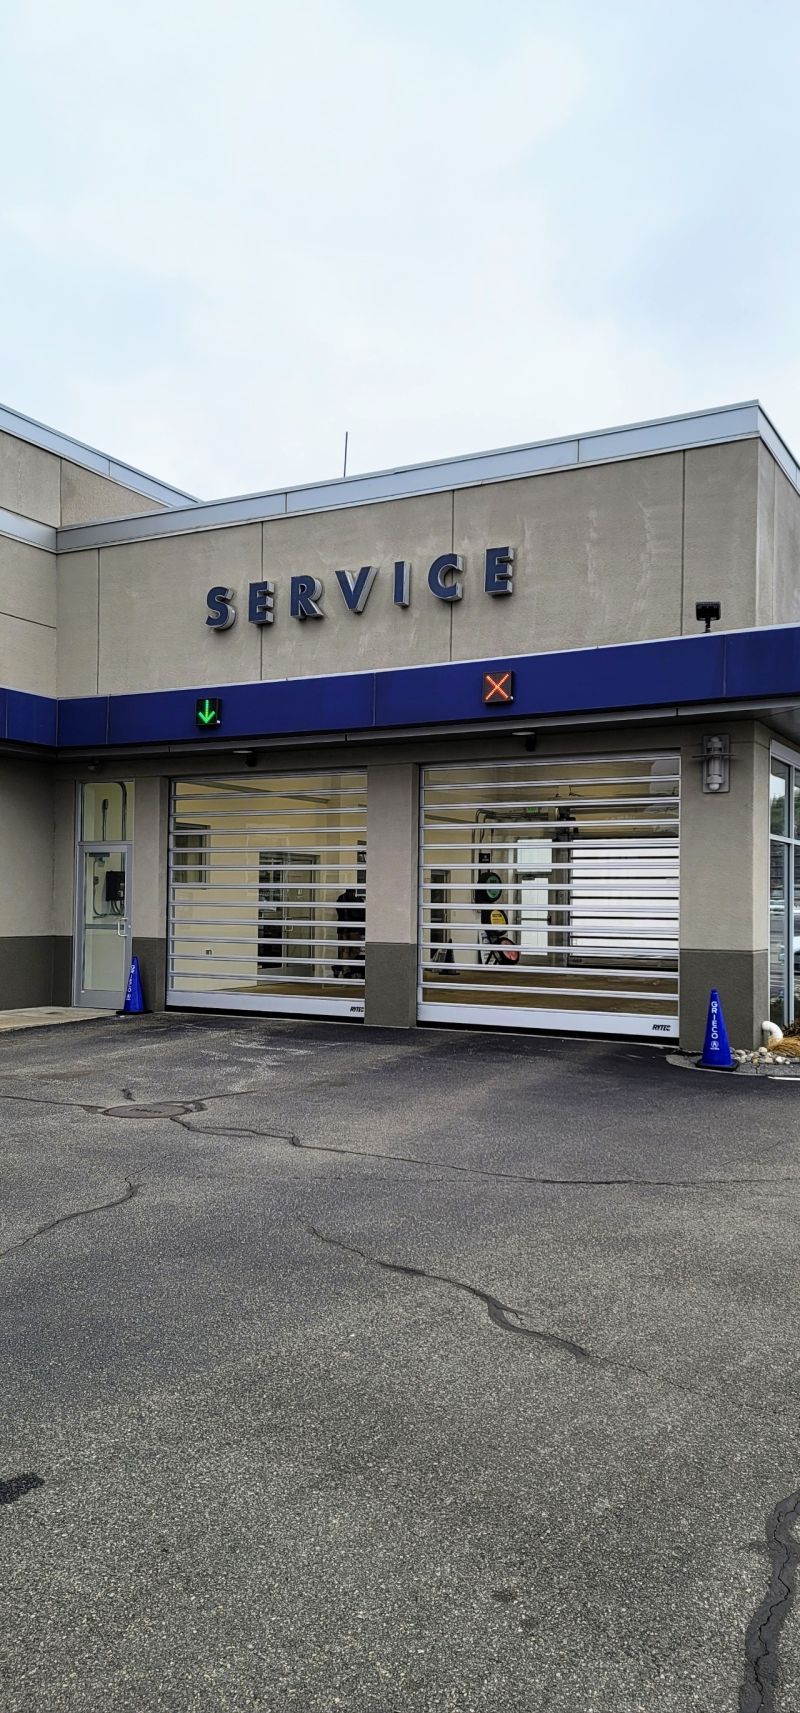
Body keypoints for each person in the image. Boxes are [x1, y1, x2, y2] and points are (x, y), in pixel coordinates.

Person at [334, 888, 365, 978]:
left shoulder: (341, 898)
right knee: (353, 950)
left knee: (344, 950)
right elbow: (359, 914)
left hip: (343, 928)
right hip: (353, 929)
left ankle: (340, 967)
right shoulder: (357, 899)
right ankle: (345, 968)